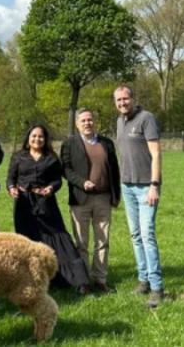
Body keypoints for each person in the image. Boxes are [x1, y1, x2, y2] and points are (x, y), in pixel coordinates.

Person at [7, 124, 91, 294]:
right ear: (28, 138)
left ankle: (78, 280)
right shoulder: (18, 157)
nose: (37, 139)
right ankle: (32, 282)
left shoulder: (51, 158)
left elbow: (58, 180)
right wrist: (12, 189)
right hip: (24, 205)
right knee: (28, 242)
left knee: (60, 239)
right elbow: (10, 178)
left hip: (46, 204)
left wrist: (51, 188)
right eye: (34, 136)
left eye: (40, 137)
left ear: (45, 140)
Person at [113, 85, 164, 308]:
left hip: (146, 186)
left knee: (147, 234)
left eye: (126, 98)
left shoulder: (146, 118)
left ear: (133, 98)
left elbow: (156, 153)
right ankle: (143, 280)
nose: (123, 103)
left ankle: (156, 287)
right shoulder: (119, 122)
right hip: (128, 186)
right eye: (118, 100)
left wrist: (154, 185)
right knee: (135, 235)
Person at [60, 108, 121, 295]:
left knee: (103, 241)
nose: (87, 123)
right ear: (77, 124)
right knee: (82, 243)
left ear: (94, 122)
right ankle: (84, 281)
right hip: (80, 200)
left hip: (103, 198)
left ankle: (100, 280)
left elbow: (114, 170)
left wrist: (116, 195)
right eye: (83, 120)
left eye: (90, 120)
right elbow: (66, 170)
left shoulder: (107, 143)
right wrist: (81, 182)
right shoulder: (69, 144)